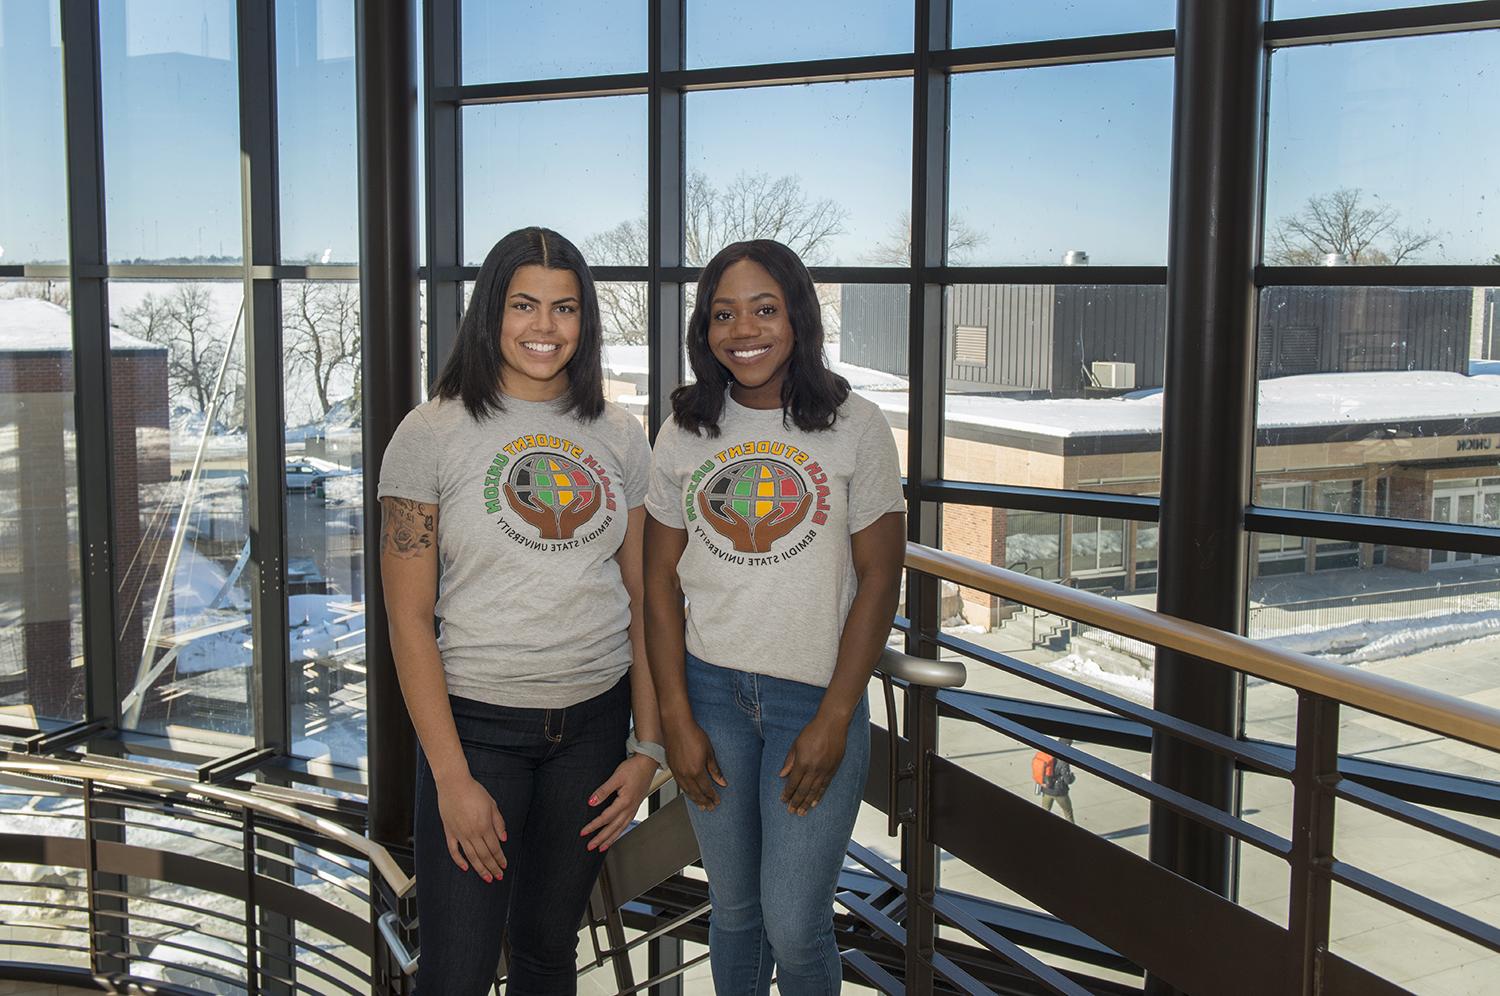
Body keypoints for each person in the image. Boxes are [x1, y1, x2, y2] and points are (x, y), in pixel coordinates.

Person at [378, 227, 664, 995]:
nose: (545, 327)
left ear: (587, 320)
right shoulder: (430, 431)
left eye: (565, 308)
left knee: (546, 953)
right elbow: (407, 619)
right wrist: (450, 776)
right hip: (478, 733)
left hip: (594, 732)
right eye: (525, 305)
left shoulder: (617, 434)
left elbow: (644, 600)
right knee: (458, 972)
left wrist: (649, 749)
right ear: (489, 314)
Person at [643, 239, 907, 995]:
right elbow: (658, 578)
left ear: (797, 315)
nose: (743, 329)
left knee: (794, 922)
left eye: (764, 308)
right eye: (723, 313)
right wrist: (676, 720)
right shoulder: (686, 428)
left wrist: (835, 713)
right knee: (732, 912)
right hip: (711, 694)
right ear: (705, 329)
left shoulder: (855, 425)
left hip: (812, 701)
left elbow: (880, 574)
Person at [1032, 739, 1077, 823]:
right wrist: (1073, 777)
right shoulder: (1063, 760)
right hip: (1059, 792)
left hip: (1047, 789)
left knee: (1045, 811)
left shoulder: (1048, 754)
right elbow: (1068, 780)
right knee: (1068, 813)